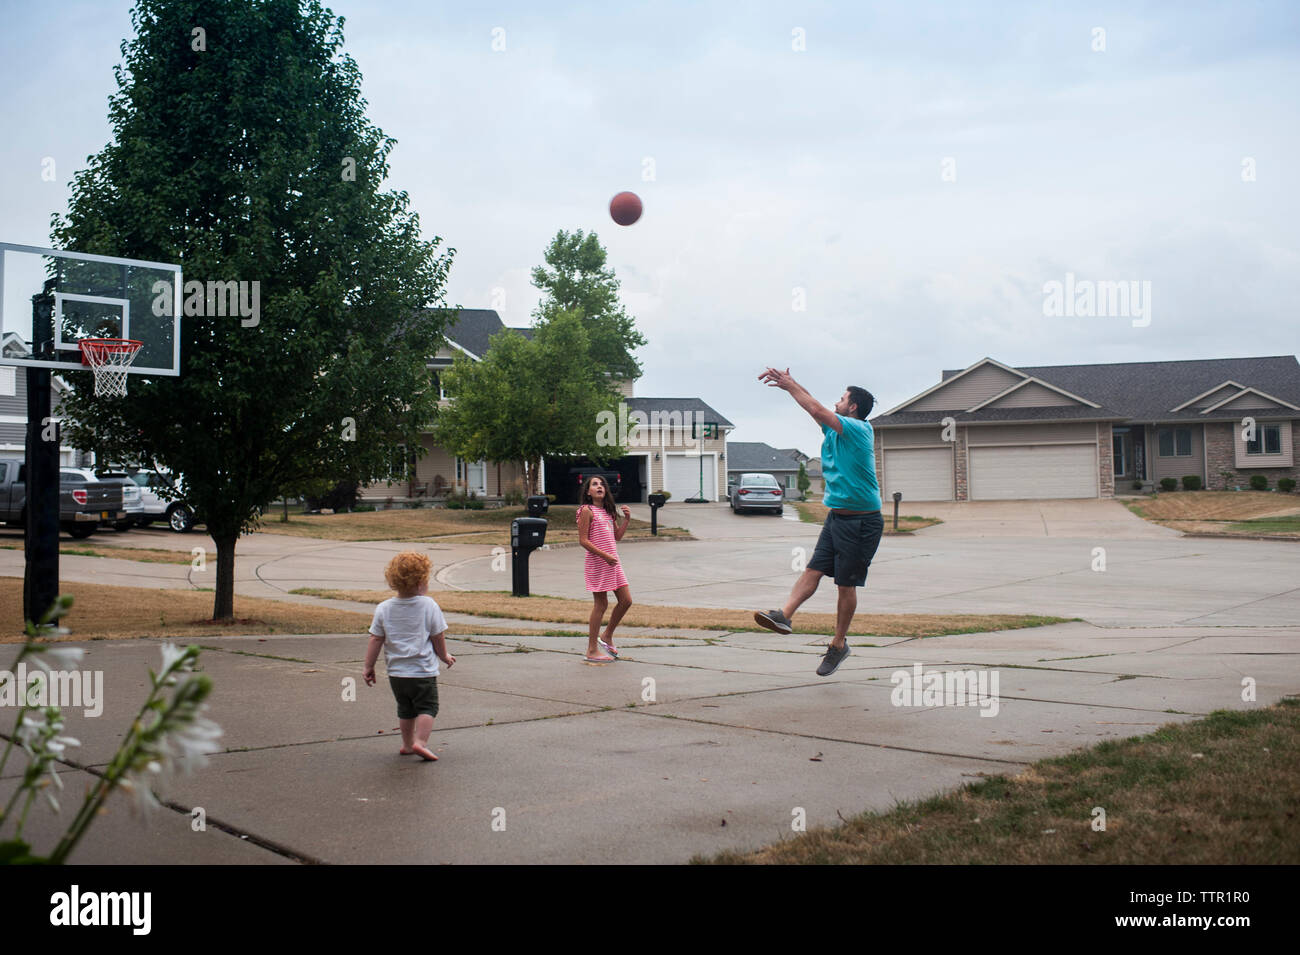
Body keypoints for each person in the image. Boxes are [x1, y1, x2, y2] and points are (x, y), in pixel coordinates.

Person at [752, 369, 883, 676]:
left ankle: (838, 645)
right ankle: (784, 615)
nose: (835, 402)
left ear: (852, 408)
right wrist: (792, 384)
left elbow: (815, 408)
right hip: (837, 516)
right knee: (813, 569)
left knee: (845, 584)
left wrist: (787, 386)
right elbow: (814, 407)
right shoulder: (835, 430)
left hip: (862, 522)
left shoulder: (858, 430)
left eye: (842, 398)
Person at [363, 551, 455, 760]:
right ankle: (420, 742)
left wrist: (368, 667)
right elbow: (437, 636)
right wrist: (444, 656)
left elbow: (375, 639)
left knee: (405, 709)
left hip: (397, 673)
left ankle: (406, 744)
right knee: (428, 707)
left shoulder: (383, 608)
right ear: (421, 581)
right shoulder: (428, 605)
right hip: (422, 671)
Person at [576, 475, 633, 663]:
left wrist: (627, 520)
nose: (599, 487)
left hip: (613, 562)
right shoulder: (586, 510)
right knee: (601, 605)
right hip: (598, 562)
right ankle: (591, 650)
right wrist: (605, 556)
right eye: (594, 484)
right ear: (588, 492)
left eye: (602, 484)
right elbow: (583, 540)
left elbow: (617, 537)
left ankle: (607, 635)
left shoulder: (609, 512)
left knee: (626, 601)